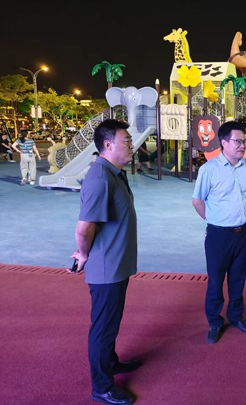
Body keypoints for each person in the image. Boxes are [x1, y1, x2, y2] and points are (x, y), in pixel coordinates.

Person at [72, 119, 140, 405]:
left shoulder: (114, 172)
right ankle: (102, 387)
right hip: (106, 269)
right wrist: (83, 254)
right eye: (127, 141)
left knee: (111, 322)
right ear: (108, 144)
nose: (132, 145)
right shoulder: (100, 177)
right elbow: (84, 228)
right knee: (103, 328)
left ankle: (110, 362)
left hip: (116, 264)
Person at [192, 121, 246, 344]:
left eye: (244, 142)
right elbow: (197, 201)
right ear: (223, 142)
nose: (242, 146)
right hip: (218, 235)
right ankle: (214, 321)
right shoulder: (209, 169)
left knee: (238, 278)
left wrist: (235, 216)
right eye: (237, 141)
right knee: (216, 280)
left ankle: (236, 316)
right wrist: (215, 220)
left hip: (243, 233)